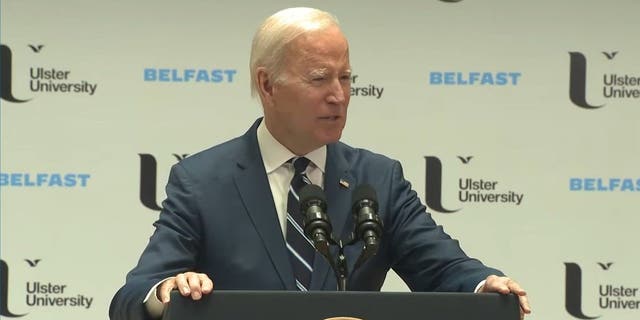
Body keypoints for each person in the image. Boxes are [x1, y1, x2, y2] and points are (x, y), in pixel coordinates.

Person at [109, 7, 531, 320]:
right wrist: (167, 291)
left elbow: (443, 267)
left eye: (345, 77)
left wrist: (485, 284)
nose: (339, 95)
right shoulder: (202, 181)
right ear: (268, 84)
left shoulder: (377, 180)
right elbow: (133, 295)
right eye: (319, 78)